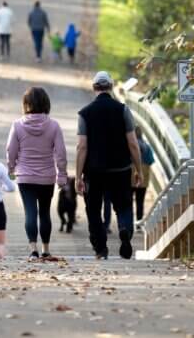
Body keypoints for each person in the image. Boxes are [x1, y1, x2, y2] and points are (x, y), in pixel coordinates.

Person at [76, 71, 144, 260]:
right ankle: (124, 229)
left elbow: (82, 147)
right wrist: (139, 170)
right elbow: (133, 143)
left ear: (94, 88)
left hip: (94, 171)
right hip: (120, 169)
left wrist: (79, 175)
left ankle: (100, 249)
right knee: (123, 206)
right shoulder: (123, 110)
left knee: (93, 209)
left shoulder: (84, 113)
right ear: (111, 87)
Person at [6, 87, 68, 260]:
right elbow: (61, 153)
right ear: (46, 103)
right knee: (45, 213)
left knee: (30, 212)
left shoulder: (17, 125)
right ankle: (46, 250)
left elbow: (11, 150)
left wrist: (11, 168)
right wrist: (61, 174)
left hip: (25, 176)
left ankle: (33, 250)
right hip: (47, 176)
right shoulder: (54, 125)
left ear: (26, 104)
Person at [133, 128, 155, 226]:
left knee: (128, 200)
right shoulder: (146, 147)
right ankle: (139, 221)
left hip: (130, 176)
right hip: (143, 177)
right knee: (140, 201)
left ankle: (128, 222)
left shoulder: (130, 146)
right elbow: (151, 161)